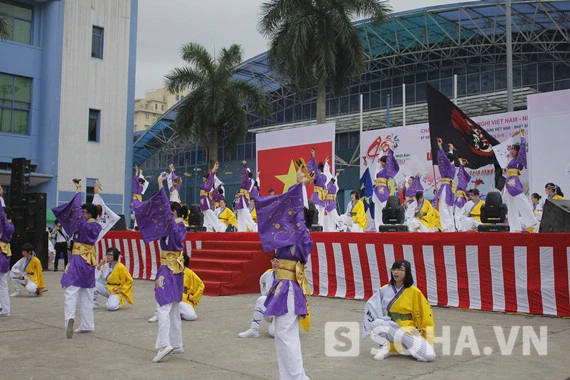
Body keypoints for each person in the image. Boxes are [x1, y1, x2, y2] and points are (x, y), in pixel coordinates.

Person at [254, 183, 312, 380]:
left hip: (290, 287)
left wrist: (298, 213)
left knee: (285, 334)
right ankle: (293, 376)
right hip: (282, 286)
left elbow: (303, 243)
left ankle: (296, 377)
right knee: (284, 335)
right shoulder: (287, 237)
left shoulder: (301, 237)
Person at [132, 173, 185, 363]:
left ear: (173, 212)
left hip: (168, 268)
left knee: (163, 306)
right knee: (173, 308)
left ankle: (164, 344)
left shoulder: (174, 226)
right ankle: (177, 343)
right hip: (176, 271)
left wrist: (161, 183)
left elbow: (165, 207)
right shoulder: (178, 226)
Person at [52, 179, 104, 338]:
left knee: (71, 290)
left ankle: (70, 318)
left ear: (86, 214)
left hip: (77, 259)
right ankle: (88, 324)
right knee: (87, 293)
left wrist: (79, 189)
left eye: (84, 212)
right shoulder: (97, 226)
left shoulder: (82, 224)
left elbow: (76, 208)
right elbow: (94, 209)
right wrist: (96, 192)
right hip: (90, 261)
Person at [362, 260, 436, 362]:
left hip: (408, 330)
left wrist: (421, 331)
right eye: (394, 269)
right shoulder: (384, 289)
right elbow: (372, 305)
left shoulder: (415, 292)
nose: (396, 272)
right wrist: (382, 318)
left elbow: (426, 314)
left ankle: (412, 347)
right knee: (376, 323)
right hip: (391, 326)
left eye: (400, 270)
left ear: (407, 273)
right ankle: (384, 346)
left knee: (429, 356)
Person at [502, 128, 538, 232]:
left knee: (521, 201)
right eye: (511, 149)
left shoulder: (519, 159)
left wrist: (522, 135)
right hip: (508, 182)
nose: (511, 150)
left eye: (514, 149)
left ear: (517, 151)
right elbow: (506, 148)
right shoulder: (510, 159)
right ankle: (514, 228)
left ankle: (533, 223)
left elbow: (522, 148)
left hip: (514, 181)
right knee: (511, 206)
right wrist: (513, 137)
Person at [239, 256, 278, 338]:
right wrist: (268, 294)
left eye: (278, 262)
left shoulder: (288, 278)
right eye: (274, 261)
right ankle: (254, 330)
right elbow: (263, 288)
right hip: (271, 309)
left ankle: (285, 326)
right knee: (261, 299)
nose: (275, 264)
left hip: (283, 311)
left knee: (273, 333)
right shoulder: (266, 275)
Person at [372, 142, 399, 229]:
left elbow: (390, 160)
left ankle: (388, 224)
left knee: (384, 205)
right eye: (381, 162)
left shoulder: (386, 171)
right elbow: (379, 159)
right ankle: (378, 227)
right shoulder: (378, 168)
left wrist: (390, 149)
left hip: (382, 188)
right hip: (376, 189)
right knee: (377, 208)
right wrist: (381, 150)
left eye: (383, 162)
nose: (381, 163)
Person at [435, 139, 457, 232]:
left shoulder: (447, 166)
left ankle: (447, 226)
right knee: (449, 206)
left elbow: (442, 158)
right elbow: (449, 158)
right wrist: (451, 150)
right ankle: (451, 227)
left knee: (443, 206)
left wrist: (440, 146)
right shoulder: (452, 166)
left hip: (446, 188)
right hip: (450, 188)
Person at [200, 162, 226, 232]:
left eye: (204, 177)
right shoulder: (205, 184)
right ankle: (207, 229)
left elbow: (211, 179)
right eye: (203, 177)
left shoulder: (209, 185)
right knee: (206, 216)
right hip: (203, 202)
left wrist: (214, 169)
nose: (203, 178)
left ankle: (219, 228)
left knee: (211, 215)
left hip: (206, 201)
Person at [307, 149, 329, 229]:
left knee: (316, 213)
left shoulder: (319, 176)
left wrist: (313, 156)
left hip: (317, 196)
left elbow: (315, 168)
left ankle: (317, 229)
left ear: (319, 170)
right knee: (322, 214)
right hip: (323, 197)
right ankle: (322, 229)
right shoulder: (325, 177)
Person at [180, 253, 204, 321]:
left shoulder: (190, 273)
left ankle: (176, 313)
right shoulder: (169, 271)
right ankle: (158, 313)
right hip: (170, 299)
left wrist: (191, 297)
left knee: (191, 316)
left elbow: (200, 286)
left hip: (183, 300)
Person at [0, 199, 14, 316]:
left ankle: (4, 309)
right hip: (4, 256)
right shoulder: (10, 225)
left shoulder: (5, 225)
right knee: (3, 284)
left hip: (1, 255)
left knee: (2, 284)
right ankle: (4, 309)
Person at [236, 161, 258, 232]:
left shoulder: (250, 181)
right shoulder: (249, 181)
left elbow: (245, 175)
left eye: (245, 174)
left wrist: (245, 166)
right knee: (240, 212)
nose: (243, 176)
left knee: (245, 212)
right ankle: (241, 230)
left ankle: (253, 227)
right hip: (241, 196)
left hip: (244, 197)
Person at [453, 158, 471, 231]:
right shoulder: (462, 184)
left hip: (460, 200)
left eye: (459, 175)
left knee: (459, 215)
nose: (458, 177)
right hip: (461, 199)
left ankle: (460, 228)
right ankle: (461, 228)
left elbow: (461, 175)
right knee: (459, 215)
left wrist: (461, 166)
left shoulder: (462, 184)